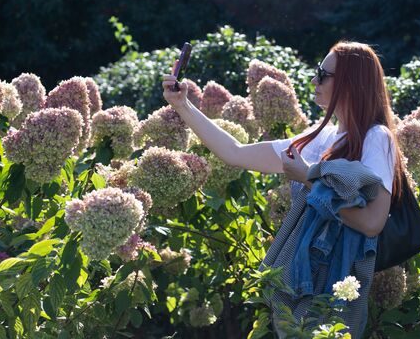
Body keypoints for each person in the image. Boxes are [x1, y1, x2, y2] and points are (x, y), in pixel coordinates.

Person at [162, 41, 405, 338]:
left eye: (323, 74)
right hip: (305, 276)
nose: (314, 80)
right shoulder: (323, 137)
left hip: (338, 285)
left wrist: (308, 178)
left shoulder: (375, 138)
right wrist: (182, 105)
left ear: (351, 84)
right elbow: (236, 152)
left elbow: (372, 222)